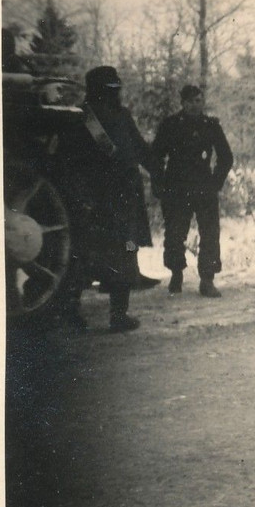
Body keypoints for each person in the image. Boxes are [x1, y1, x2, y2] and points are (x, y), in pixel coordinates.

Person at [56, 65, 163, 332]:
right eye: (112, 89)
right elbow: (69, 162)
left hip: (115, 199)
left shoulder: (104, 116)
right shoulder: (84, 119)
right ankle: (94, 313)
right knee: (92, 255)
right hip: (101, 200)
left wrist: (160, 172)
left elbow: (139, 148)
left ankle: (107, 314)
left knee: (115, 253)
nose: (116, 94)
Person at [152, 84, 234, 297]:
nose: (195, 106)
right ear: (183, 103)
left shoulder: (211, 125)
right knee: (175, 233)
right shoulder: (170, 125)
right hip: (176, 187)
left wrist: (215, 182)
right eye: (190, 101)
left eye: (198, 101)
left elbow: (226, 156)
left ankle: (207, 279)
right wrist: (159, 183)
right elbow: (156, 156)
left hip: (203, 187)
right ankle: (176, 273)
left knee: (210, 233)